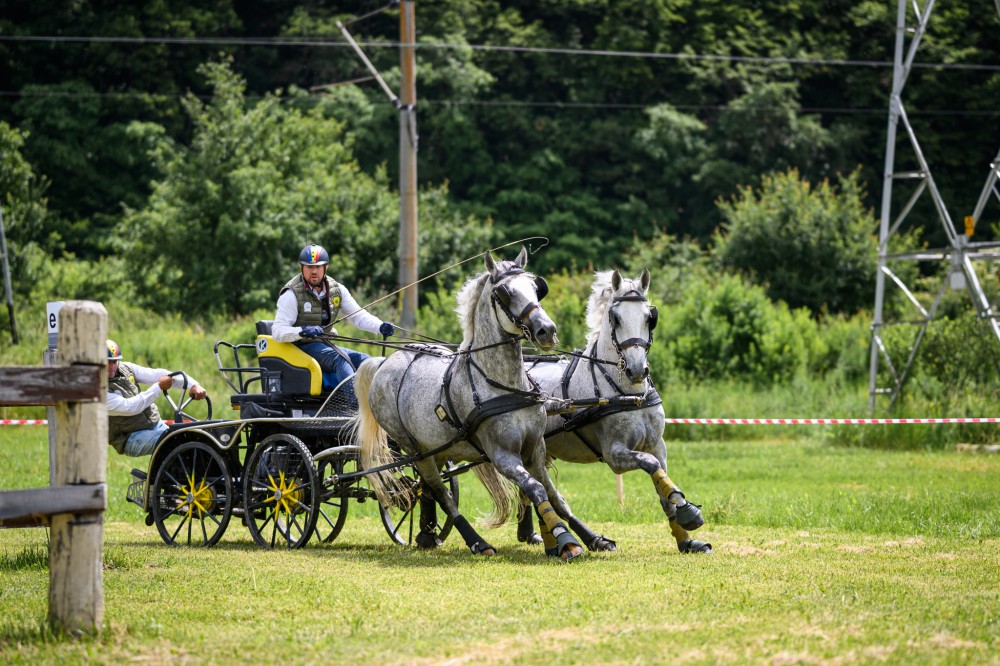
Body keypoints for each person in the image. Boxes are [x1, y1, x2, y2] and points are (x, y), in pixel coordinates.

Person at [272, 243, 395, 390]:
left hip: (325, 344)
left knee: (366, 361)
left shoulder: (337, 289)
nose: (314, 271)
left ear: (326, 267)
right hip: (299, 347)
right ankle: (353, 408)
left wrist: (380, 326)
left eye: (318, 267)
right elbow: (278, 331)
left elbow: (358, 316)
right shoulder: (291, 294)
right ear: (301, 268)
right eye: (309, 267)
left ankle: (374, 406)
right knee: (341, 360)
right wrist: (302, 330)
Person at [106, 339, 207, 457]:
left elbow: (158, 375)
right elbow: (131, 407)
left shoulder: (126, 368)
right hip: (131, 438)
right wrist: (159, 386)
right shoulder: (98, 391)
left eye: (114, 361)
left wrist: (193, 385)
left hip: (155, 424)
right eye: (107, 362)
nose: (111, 367)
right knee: (175, 441)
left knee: (193, 438)